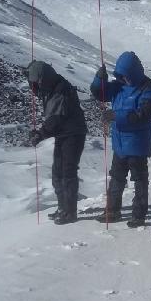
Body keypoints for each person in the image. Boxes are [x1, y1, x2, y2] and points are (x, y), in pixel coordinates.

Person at [90, 52, 151, 227]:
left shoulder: (148, 89)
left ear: (135, 73)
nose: (125, 79)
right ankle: (112, 211)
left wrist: (116, 115)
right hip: (120, 143)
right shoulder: (118, 86)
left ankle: (139, 214)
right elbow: (100, 93)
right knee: (116, 177)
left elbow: (142, 115)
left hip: (137, 143)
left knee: (139, 179)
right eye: (122, 76)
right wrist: (100, 79)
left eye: (127, 76)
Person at [27, 60, 87, 225]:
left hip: (73, 134)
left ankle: (70, 212)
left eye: (35, 83)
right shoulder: (52, 87)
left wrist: (40, 134)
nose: (34, 87)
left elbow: (56, 118)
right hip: (64, 134)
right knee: (57, 172)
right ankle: (63, 208)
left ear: (42, 79)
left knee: (67, 172)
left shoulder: (61, 91)